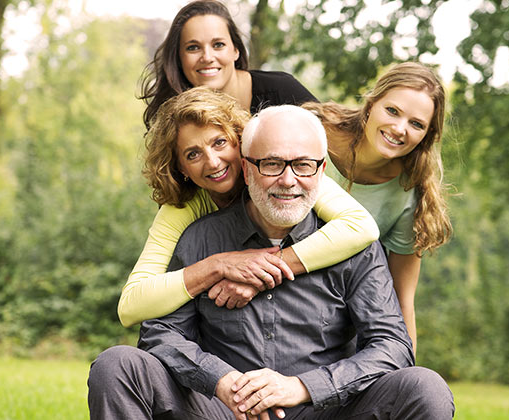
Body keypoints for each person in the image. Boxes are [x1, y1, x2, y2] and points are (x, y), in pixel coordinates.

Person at [88, 105, 454, 419]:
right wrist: (221, 380)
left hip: (323, 409)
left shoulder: (354, 246)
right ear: (247, 171)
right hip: (223, 409)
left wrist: (302, 387)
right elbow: (161, 334)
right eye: (273, 164)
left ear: (322, 172)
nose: (288, 180)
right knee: (119, 364)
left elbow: (392, 345)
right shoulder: (199, 236)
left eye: (303, 166)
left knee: (424, 386)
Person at [118, 86, 379, 327]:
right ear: (181, 168)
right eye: (192, 154)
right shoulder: (183, 207)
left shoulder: (279, 175)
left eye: (219, 142)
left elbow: (361, 226)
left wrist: (262, 270)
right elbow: (130, 306)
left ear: (239, 140)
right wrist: (217, 265)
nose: (212, 162)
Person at [303, 62, 453, 353]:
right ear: (371, 105)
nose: (399, 129)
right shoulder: (313, 130)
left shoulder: (410, 193)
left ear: (427, 135)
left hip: (333, 312)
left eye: (416, 124)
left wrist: (405, 373)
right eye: (392, 111)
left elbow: (400, 298)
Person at [139, 0, 317, 129]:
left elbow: (339, 140)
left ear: (236, 50)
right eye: (193, 47)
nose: (207, 57)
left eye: (218, 45)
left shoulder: (281, 90)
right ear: (178, 58)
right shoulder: (175, 117)